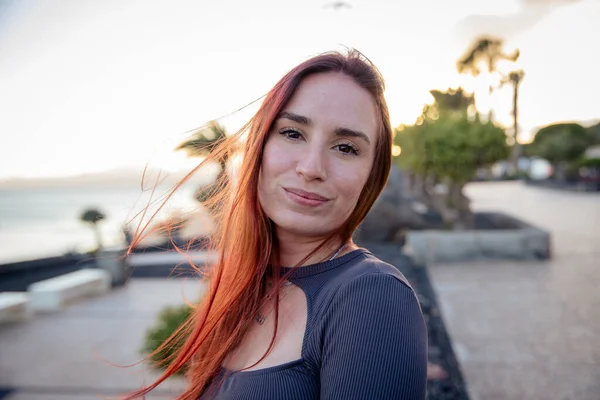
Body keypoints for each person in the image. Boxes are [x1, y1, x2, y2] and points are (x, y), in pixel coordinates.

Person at [126, 49, 427, 399]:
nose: (311, 167)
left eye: (345, 147)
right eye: (293, 133)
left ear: (371, 176)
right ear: (259, 146)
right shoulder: (243, 284)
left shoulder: (372, 296)